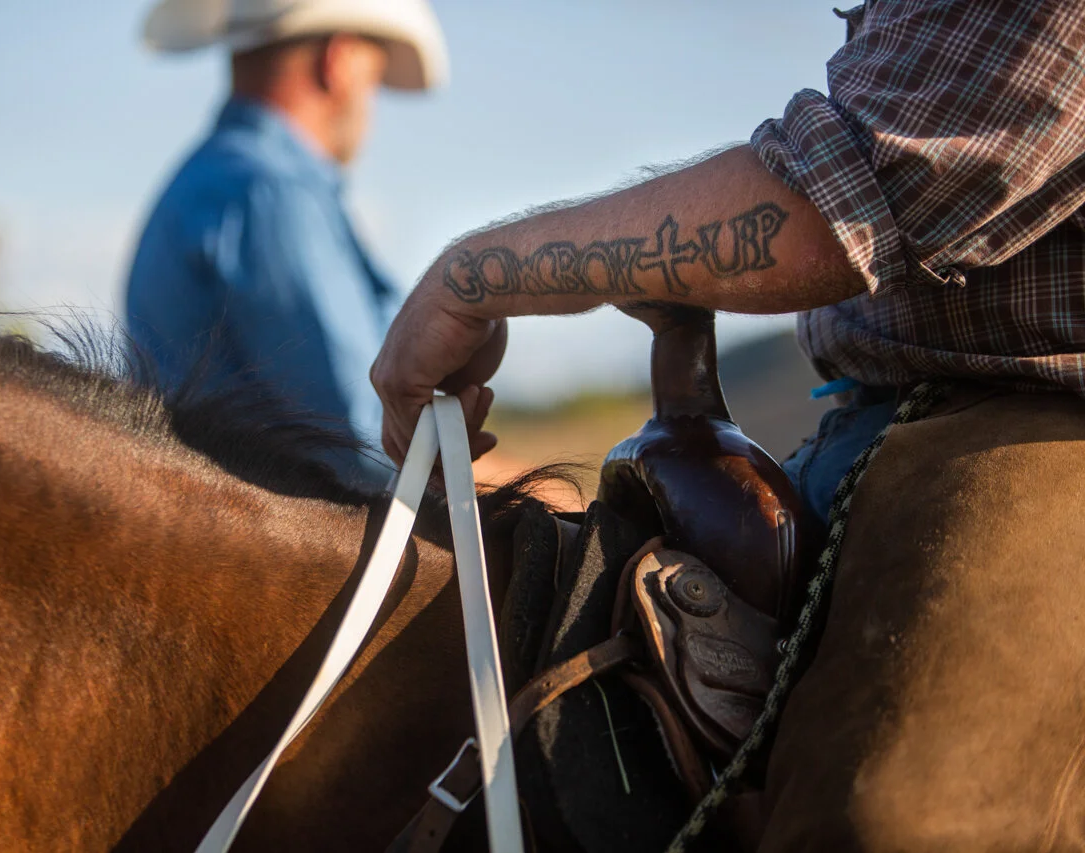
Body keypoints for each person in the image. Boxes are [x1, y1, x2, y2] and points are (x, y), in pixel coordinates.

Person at [371, 2, 1085, 849]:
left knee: (896, 819)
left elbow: (841, 199)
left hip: (1040, 426)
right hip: (870, 417)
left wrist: (472, 278)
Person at [126, 0, 447, 485]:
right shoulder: (273, 192)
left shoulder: (217, 178)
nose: (370, 106)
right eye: (372, 79)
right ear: (336, 62)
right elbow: (364, 441)